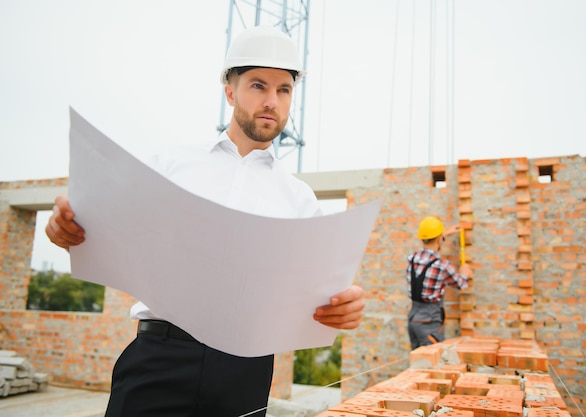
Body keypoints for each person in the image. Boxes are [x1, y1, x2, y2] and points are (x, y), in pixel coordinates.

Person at [45, 26, 365, 417]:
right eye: (258, 85)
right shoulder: (171, 166)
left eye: (284, 90)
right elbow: (105, 231)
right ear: (230, 91)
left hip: (244, 372)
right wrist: (65, 230)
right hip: (160, 357)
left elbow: (322, 291)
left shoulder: (299, 199)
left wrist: (344, 305)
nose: (272, 101)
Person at [406, 216, 471, 350]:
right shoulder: (441, 265)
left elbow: (428, 251)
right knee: (433, 361)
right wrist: (465, 273)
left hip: (413, 319)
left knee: (418, 362)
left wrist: (444, 234)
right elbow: (461, 284)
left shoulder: (412, 258)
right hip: (429, 321)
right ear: (439, 238)